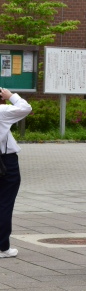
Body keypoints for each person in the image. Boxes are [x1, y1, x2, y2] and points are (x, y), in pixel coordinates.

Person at [0, 88, 32, 258]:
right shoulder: (2, 111)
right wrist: (11, 96)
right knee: (5, 203)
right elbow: (26, 107)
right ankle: (2, 247)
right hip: (5, 162)